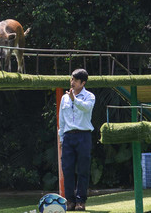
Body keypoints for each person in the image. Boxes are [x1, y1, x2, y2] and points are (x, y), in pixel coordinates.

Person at [58, 69, 95, 211]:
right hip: (68, 136)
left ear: (83, 83)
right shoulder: (64, 98)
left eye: (75, 80)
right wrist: (61, 138)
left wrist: (75, 99)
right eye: (71, 79)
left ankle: (81, 201)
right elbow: (61, 120)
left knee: (83, 169)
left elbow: (87, 108)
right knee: (67, 169)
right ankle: (70, 201)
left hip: (83, 136)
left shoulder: (90, 96)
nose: (72, 83)